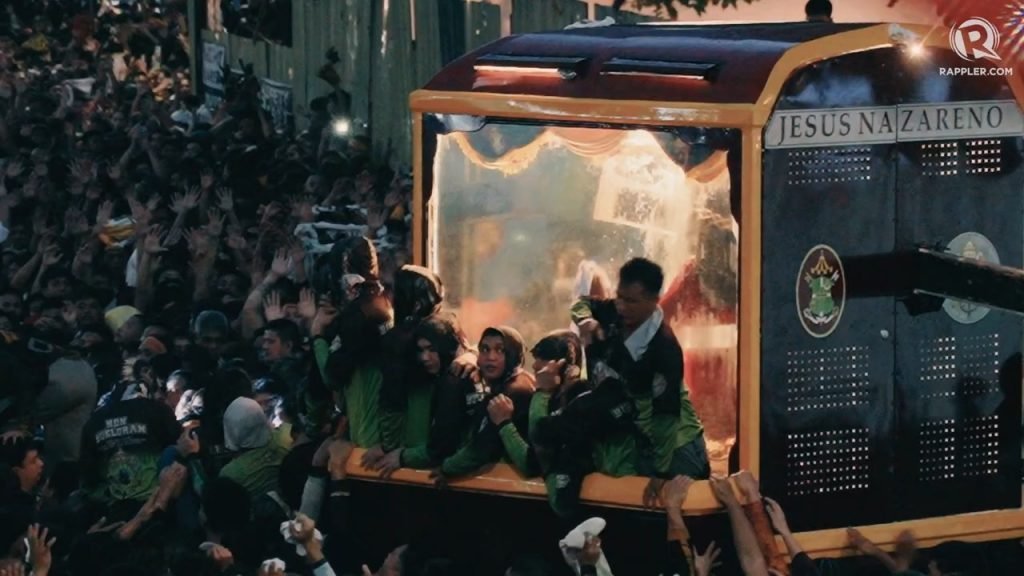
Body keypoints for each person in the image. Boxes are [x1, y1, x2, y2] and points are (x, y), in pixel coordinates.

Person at [571, 257, 710, 504]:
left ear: (654, 300)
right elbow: (582, 304)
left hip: (676, 447)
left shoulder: (663, 348)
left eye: (632, 301)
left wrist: (660, 473)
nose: (622, 306)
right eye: (620, 297)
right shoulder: (612, 311)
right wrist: (585, 321)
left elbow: (666, 418)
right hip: (639, 439)